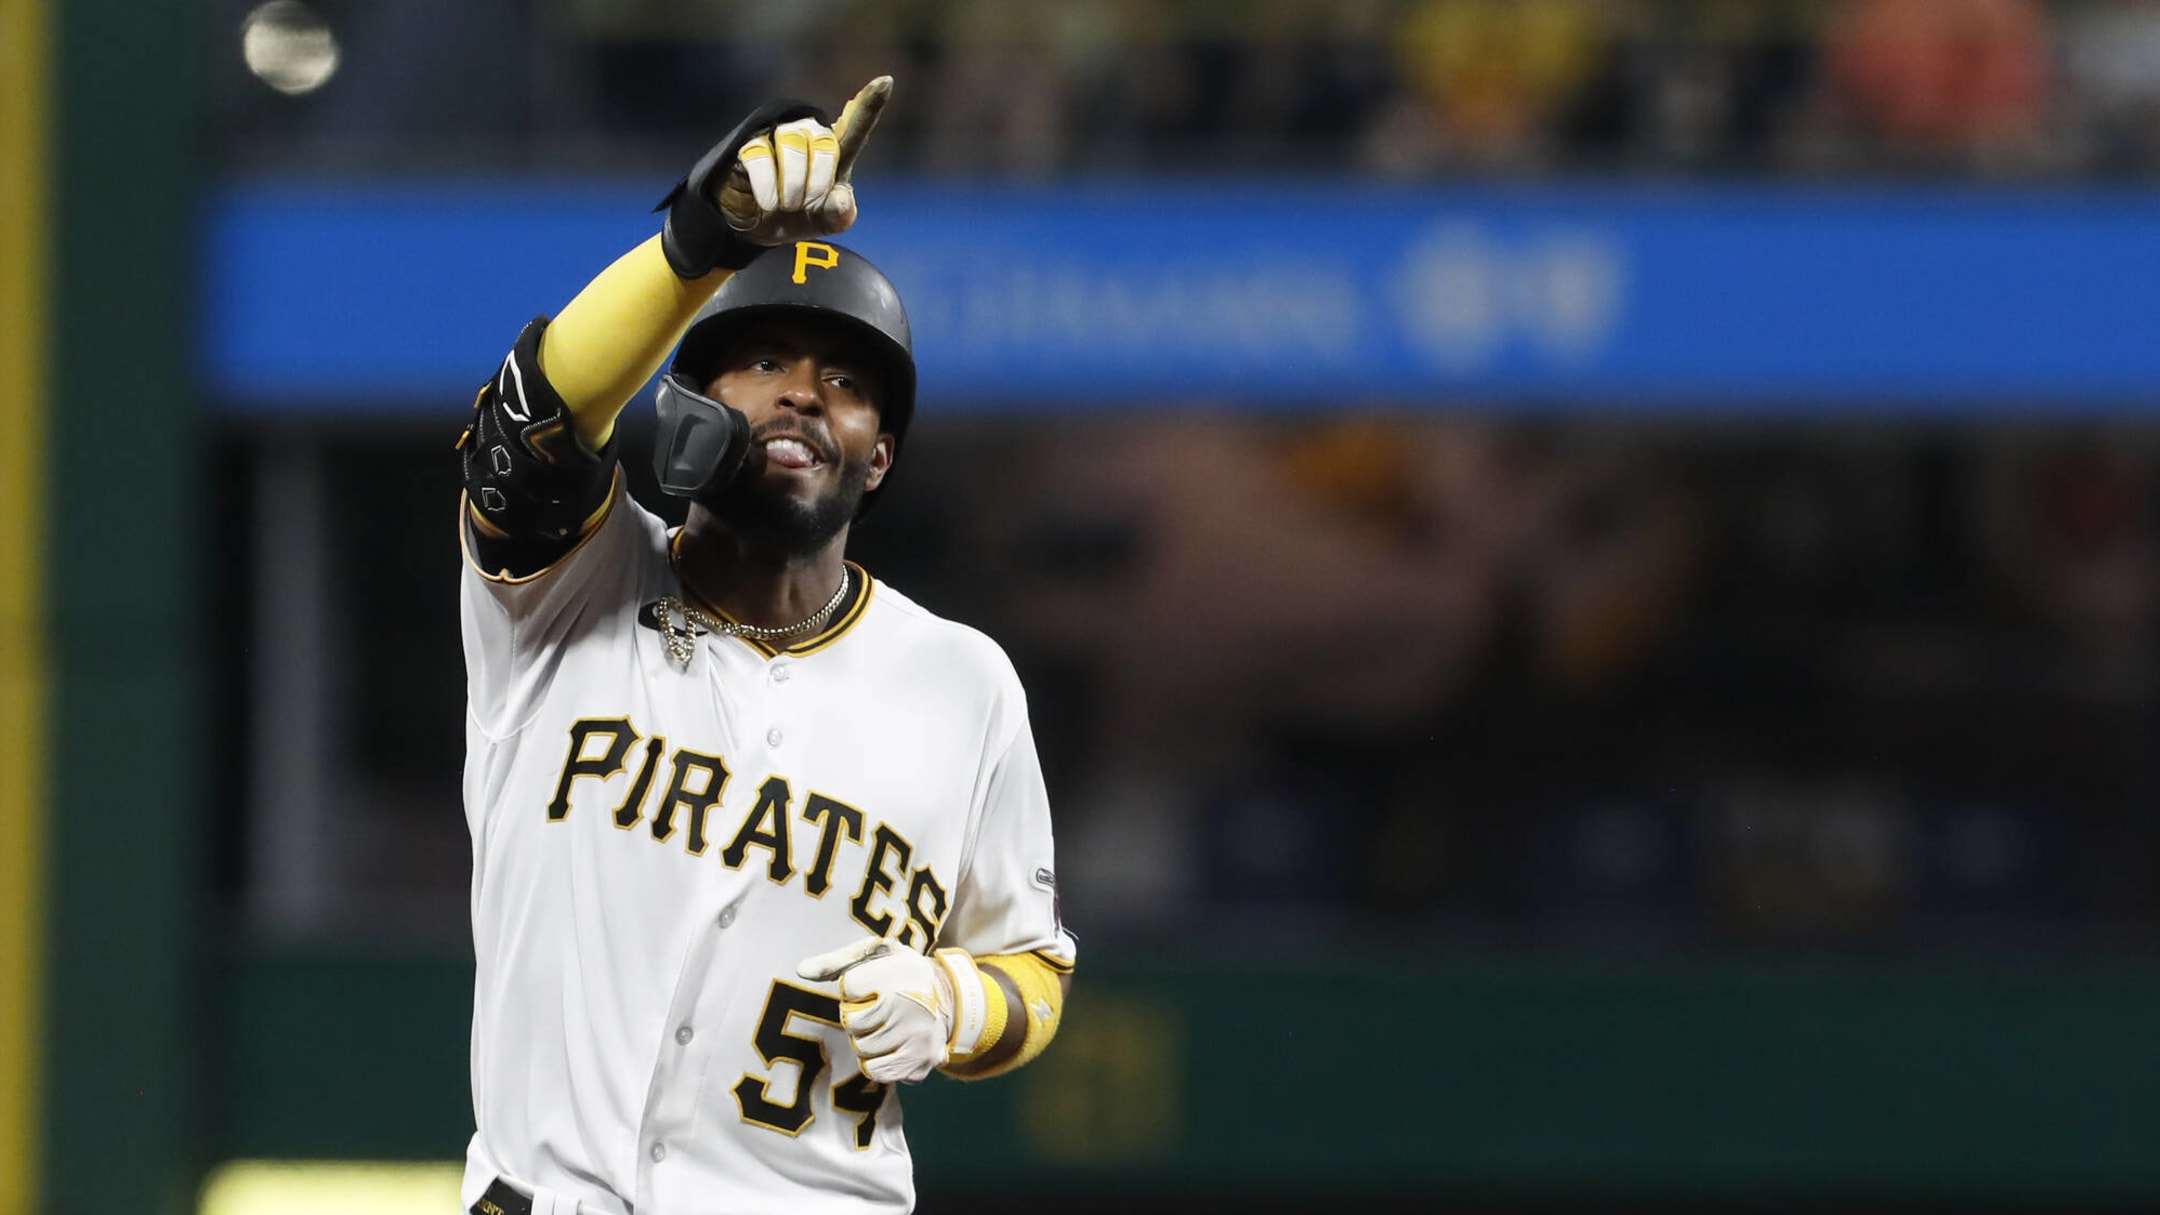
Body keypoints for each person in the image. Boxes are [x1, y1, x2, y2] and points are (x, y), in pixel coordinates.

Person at [453, 77, 1076, 1215]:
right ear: (684, 396)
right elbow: (529, 425)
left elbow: (1031, 971)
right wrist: (703, 240)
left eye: (845, 382)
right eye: (764, 362)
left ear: (877, 458)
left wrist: (949, 1000)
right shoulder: (563, 591)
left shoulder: (964, 682)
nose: (802, 396)